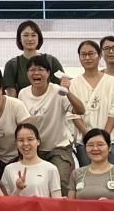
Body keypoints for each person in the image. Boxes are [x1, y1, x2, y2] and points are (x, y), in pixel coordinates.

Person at [14, 55, 82, 190]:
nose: (36, 73)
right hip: (34, 149)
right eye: (32, 70)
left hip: (59, 147)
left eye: (40, 69)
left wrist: (68, 92)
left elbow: (80, 110)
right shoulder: (22, 94)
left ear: (49, 73)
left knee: (61, 180)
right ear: (27, 74)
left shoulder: (58, 91)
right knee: (32, 183)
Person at [68, 39, 114, 157]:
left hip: (111, 138)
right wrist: (88, 135)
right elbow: (73, 113)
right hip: (84, 139)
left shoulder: (112, 82)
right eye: (83, 54)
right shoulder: (73, 83)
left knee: (110, 169)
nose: (87, 58)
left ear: (99, 56)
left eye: (91, 54)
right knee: (87, 169)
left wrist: (104, 136)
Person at [2, 20, 63, 94]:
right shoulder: (12, 65)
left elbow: (61, 88)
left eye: (33, 35)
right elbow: (11, 96)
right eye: (26, 35)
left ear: (39, 38)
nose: (30, 39)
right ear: (19, 38)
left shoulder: (51, 61)